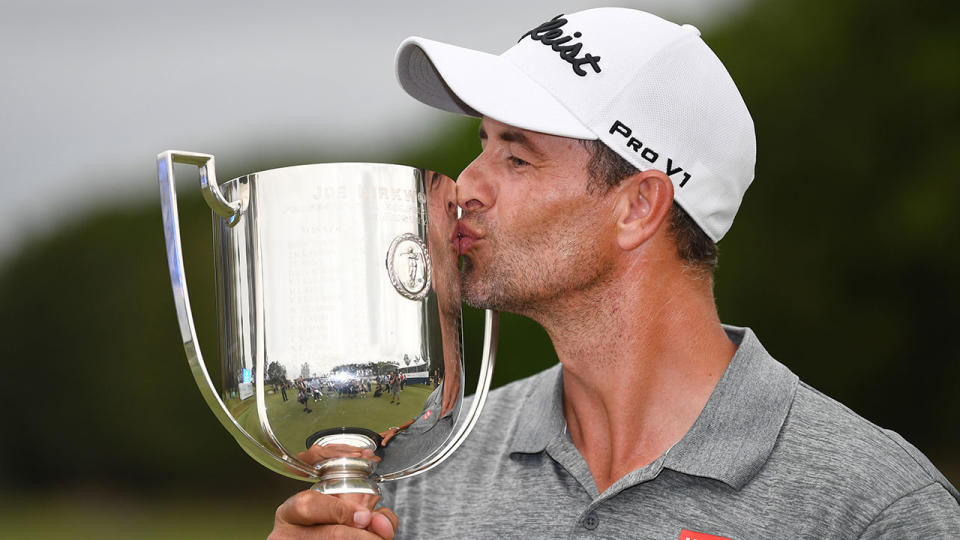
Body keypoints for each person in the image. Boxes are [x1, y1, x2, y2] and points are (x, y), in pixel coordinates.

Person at [268, 8, 960, 539]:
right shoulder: (429, 470)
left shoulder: (873, 507)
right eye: (483, 144)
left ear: (638, 207)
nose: (464, 186)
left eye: (517, 156)